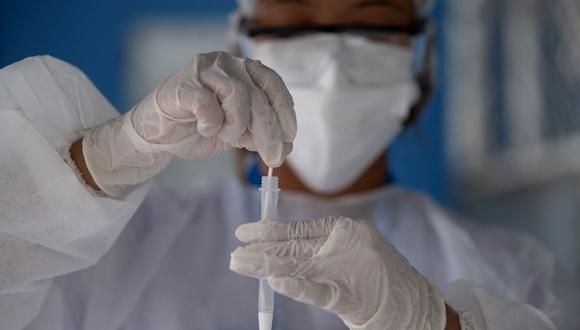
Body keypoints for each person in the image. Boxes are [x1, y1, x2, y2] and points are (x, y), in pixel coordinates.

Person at [0, 0, 567, 329]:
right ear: (243, 43)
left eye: (373, 25)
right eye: (292, 24)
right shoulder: (119, 250)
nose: (332, 62)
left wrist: (434, 321)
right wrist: (96, 162)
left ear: (421, 52)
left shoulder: (508, 269)